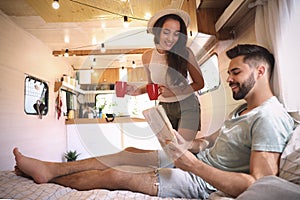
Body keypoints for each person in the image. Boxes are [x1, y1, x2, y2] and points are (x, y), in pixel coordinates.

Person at [13, 44, 295, 198]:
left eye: (235, 72)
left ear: (260, 71)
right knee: (127, 153)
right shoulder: (243, 111)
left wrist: (192, 165)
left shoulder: (269, 117)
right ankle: (50, 169)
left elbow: (260, 186)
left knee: (116, 175)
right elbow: (209, 142)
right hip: (196, 163)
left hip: (203, 181)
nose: (228, 78)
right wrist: (189, 144)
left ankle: (50, 181)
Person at [126, 9, 204, 143]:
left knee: (183, 148)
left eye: (176, 34)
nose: (170, 38)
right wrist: (138, 90)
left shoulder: (186, 53)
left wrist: (173, 92)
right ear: (158, 31)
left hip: (187, 105)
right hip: (164, 107)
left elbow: (199, 83)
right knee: (171, 150)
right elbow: (152, 86)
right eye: (166, 32)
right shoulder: (147, 56)